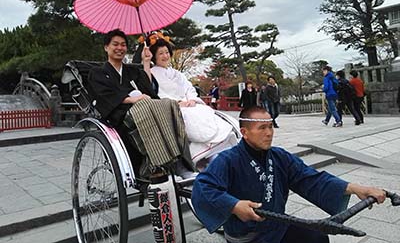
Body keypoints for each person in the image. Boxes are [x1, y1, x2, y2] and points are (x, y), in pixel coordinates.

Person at [192, 106, 386, 243]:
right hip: (247, 236)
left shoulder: (279, 157)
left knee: (317, 238)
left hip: (276, 227)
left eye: (270, 127)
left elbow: (309, 178)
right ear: (245, 132)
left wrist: (355, 188)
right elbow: (203, 187)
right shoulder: (227, 160)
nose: (269, 133)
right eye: (262, 128)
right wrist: (234, 205)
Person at [87, 29, 193, 178]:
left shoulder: (132, 71)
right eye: (115, 44)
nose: (120, 48)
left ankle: (181, 164)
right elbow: (103, 96)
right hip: (119, 115)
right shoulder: (97, 72)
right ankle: (158, 165)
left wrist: (146, 61)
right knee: (145, 107)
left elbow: (149, 91)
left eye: (123, 45)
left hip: (144, 108)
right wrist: (131, 99)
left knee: (169, 105)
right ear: (106, 47)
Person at [149, 38, 236, 167]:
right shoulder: (152, 74)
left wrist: (191, 99)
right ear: (154, 56)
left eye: (167, 52)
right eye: (160, 53)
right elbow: (157, 94)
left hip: (188, 103)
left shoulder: (177, 73)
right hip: (172, 107)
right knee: (191, 117)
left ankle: (220, 145)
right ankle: (208, 152)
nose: (165, 56)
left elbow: (189, 88)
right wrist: (176, 103)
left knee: (206, 111)